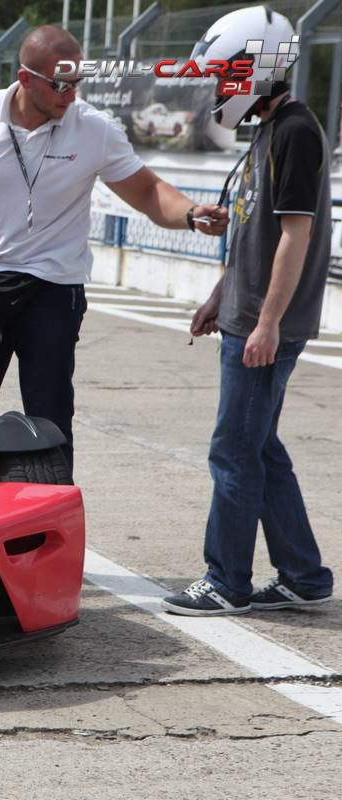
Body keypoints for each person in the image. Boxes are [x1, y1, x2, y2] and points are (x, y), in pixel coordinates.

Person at [0, 24, 227, 467]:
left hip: (54, 289)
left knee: (50, 418)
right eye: (60, 85)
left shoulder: (93, 128)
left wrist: (190, 213)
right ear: (25, 78)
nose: (70, 94)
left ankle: (51, 503)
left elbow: (148, 192)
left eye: (77, 83)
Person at [162, 6, 334, 616]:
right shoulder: (268, 129)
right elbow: (252, 233)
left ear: (255, 69)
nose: (216, 87)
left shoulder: (294, 132)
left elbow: (294, 236)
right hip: (246, 315)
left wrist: (266, 323)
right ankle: (304, 575)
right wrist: (220, 295)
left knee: (233, 451)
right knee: (259, 448)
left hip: (265, 326)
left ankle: (226, 581)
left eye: (223, 74)